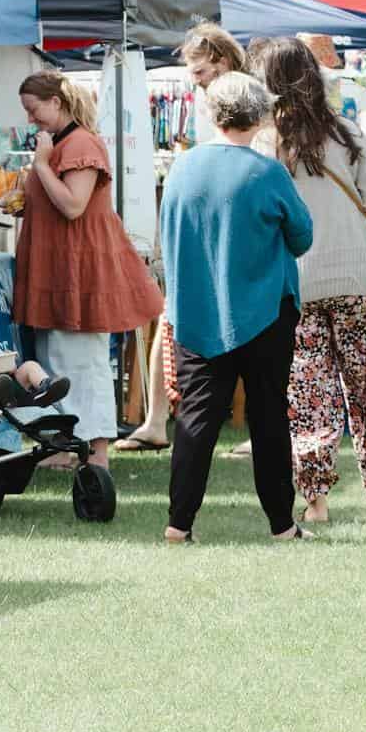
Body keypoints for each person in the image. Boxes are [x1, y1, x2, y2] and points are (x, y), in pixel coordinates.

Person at [251, 39, 366, 524]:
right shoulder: (346, 132)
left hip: (298, 279)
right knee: (365, 383)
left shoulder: (266, 143)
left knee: (309, 389)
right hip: (356, 273)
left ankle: (315, 501)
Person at [158, 73, 314, 543]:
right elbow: (302, 236)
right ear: (261, 116)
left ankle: (179, 523)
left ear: (213, 113)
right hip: (264, 312)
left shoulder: (182, 167)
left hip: (196, 311)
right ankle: (282, 526)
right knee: (269, 418)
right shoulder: (268, 172)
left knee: (195, 420)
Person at [13, 71, 163, 471]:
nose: (30, 118)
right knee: (58, 362)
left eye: (33, 109)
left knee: (82, 363)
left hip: (78, 272)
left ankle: (94, 452)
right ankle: (68, 445)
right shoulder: (62, 143)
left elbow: (73, 205)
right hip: (59, 269)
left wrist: (41, 165)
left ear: (56, 102)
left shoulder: (80, 144)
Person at [117, 24, 246, 454]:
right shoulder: (211, 103)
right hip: (202, 224)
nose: (196, 80)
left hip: (226, 226)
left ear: (222, 62)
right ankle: (156, 418)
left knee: (237, 323)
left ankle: (170, 418)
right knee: (171, 314)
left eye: (201, 70)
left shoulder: (242, 102)